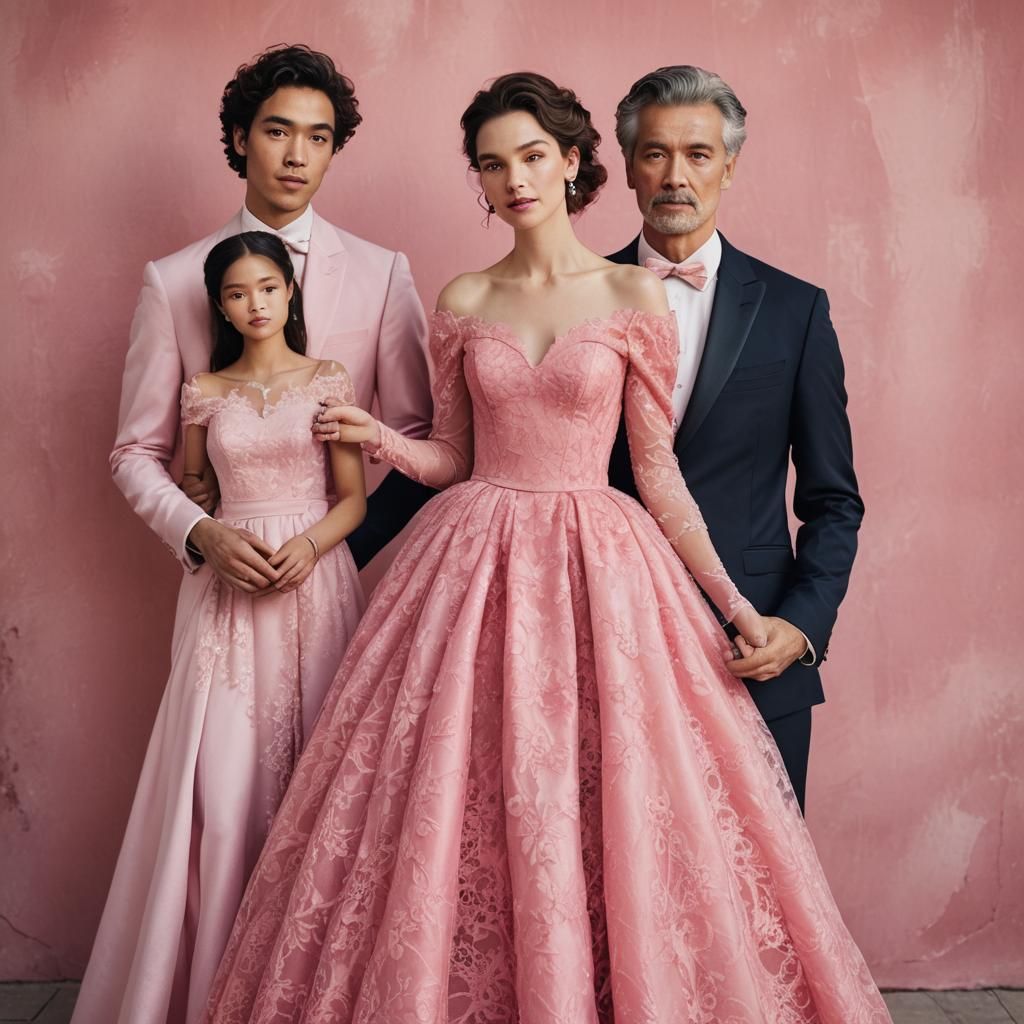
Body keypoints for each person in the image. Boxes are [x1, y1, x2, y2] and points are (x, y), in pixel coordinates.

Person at [201, 74, 890, 1023]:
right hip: (472, 561)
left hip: (599, 561)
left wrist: (739, 609)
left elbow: (659, 477)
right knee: (465, 804)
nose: (513, 178)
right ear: (478, 183)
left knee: (613, 808)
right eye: (492, 163)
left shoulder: (629, 290)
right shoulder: (464, 294)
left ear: (572, 161)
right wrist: (373, 438)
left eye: (531, 156)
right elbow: (450, 455)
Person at [72, 232, 367, 1024]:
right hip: (228, 593)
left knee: (322, 774)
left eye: (268, 287)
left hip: (317, 584)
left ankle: (314, 989)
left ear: (290, 293)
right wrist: (207, 529)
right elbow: (191, 483)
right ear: (222, 306)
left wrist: (307, 545)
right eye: (238, 294)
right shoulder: (202, 388)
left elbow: (354, 499)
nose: (256, 304)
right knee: (223, 789)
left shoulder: (328, 381)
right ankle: (214, 987)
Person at [607, 65, 865, 810]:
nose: (676, 175)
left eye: (698, 153)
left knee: (761, 913)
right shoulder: (574, 298)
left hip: (751, 654)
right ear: (627, 166)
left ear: (730, 166)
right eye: (655, 153)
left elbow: (833, 501)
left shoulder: (796, 311)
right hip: (611, 645)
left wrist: (800, 626)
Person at [110, 44, 432, 588]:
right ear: (241, 138)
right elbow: (135, 451)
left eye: (318, 138)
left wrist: (343, 553)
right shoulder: (172, 280)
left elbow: (418, 438)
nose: (297, 157)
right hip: (225, 577)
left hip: (333, 580)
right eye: (278, 132)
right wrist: (199, 532)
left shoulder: (382, 273)